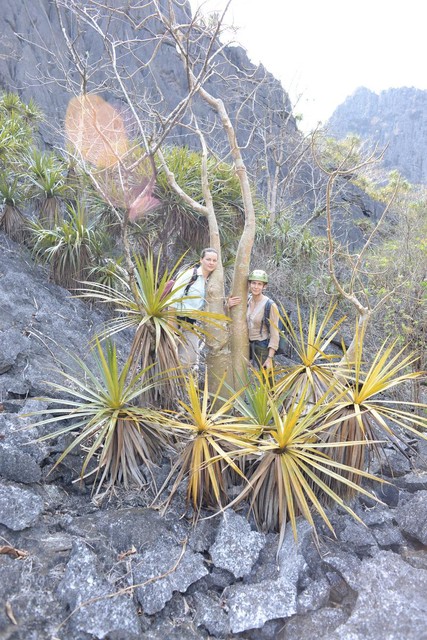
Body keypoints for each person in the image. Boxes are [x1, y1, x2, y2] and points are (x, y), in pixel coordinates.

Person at [170, 247, 219, 370]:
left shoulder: (211, 281)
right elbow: (172, 300)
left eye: (214, 260)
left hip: (191, 324)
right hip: (175, 320)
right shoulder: (191, 275)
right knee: (167, 355)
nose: (211, 263)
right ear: (201, 260)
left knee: (189, 359)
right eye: (208, 259)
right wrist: (172, 327)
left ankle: (176, 383)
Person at [229, 269, 280, 369]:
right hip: (246, 343)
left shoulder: (270, 305)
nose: (256, 287)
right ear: (249, 284)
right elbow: (232, 316)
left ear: (264, 286)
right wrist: (228, 305)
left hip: (262, 345)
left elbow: (275, 334)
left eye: (259, 284)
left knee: (267, 378)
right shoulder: (246, 300)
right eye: (253, 283)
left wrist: (270, 357)